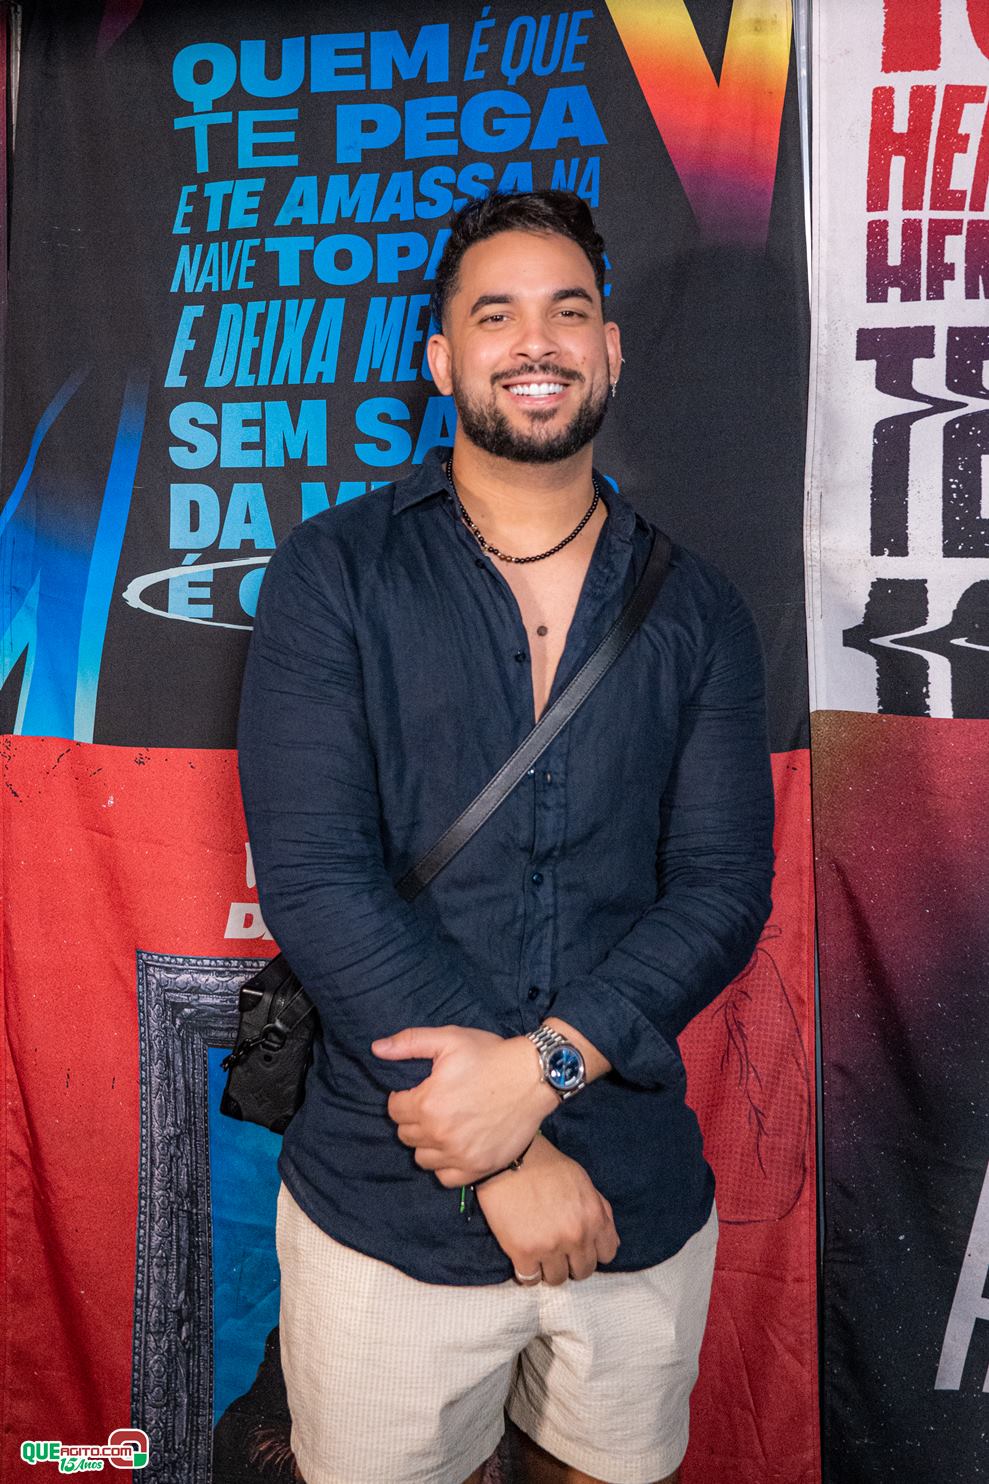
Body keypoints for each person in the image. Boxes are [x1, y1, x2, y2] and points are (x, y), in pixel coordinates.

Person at [237, 189, 775, 1484]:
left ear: (610, 349)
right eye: (495, 314)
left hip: (630, 1192)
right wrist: (504, 1157)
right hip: (388, 1199)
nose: (535, 340)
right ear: (441, 358)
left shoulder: (698, 608)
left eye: (566, 310)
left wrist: (545, 1069)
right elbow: (316, 879)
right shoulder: (335, 571)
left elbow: (721, 887)